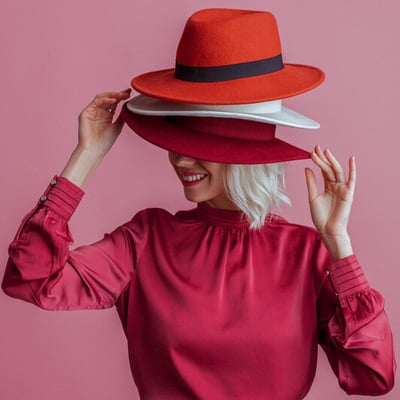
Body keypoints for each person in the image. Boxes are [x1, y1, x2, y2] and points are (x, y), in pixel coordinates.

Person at [2, 8, 395, 400]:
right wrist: (86, 157)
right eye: (178, 141)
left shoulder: (307, 253)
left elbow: (373, 377)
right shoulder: (145, 241)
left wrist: (338, 244)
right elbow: (31, 280)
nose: (179, 159)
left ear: (243, 154)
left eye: (200, 146)